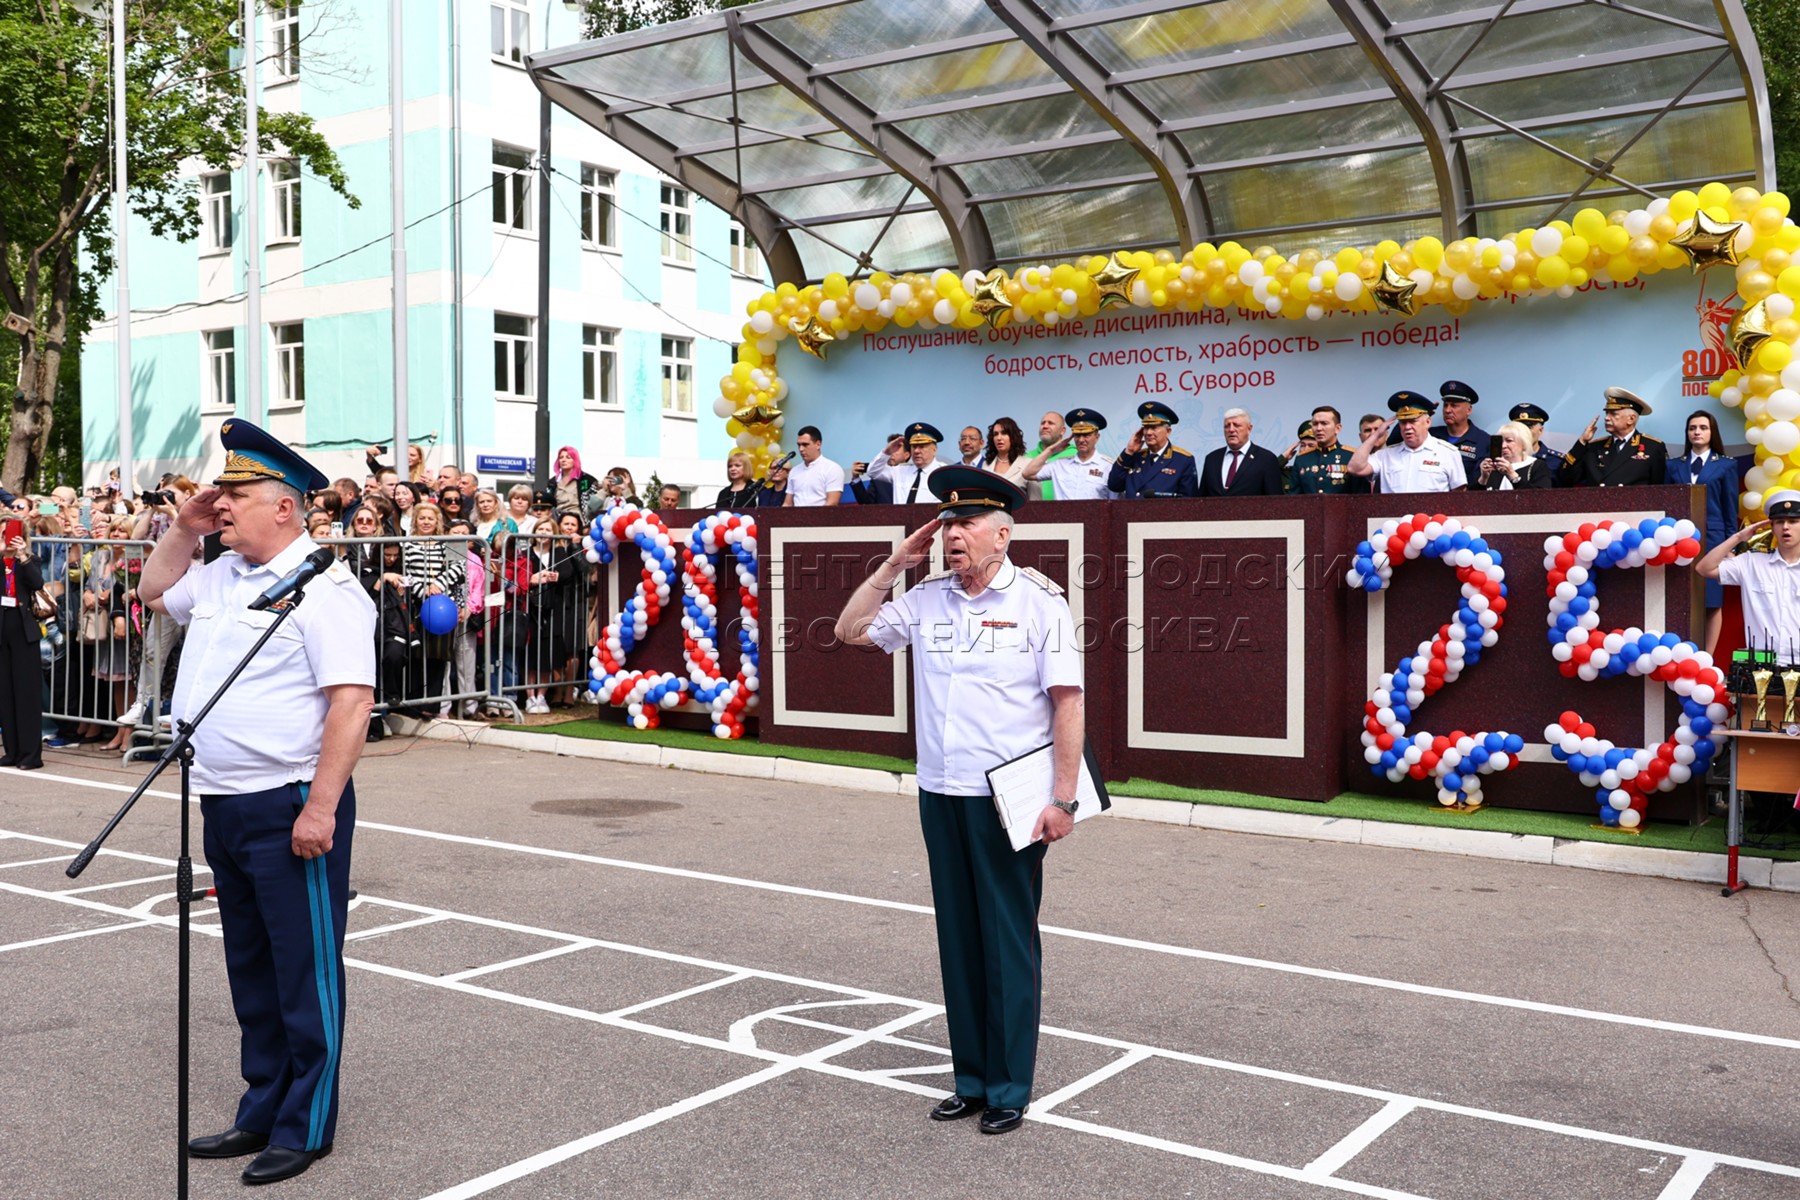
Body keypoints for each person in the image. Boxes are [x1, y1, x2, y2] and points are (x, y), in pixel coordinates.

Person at [138, 419, 376, 1186]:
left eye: (236, 494)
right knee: (250, 965)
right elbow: (152, 592)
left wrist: (322, 809)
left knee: (304, 970)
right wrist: (183, 529)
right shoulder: (220, 574)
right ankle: (262, 1106)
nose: (222, 503)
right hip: (221, 800)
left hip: (290, 801)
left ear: (284, 507)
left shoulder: (327, 589)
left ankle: (306, 1125)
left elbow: (351, 703)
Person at [833, 465, 1085, 1136]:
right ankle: (970, 1080)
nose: (952, 535)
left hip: (1007, 801)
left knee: (1006, 941)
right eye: (947, 524)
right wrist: (894, 564)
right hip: (941, 791)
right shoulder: (927, 598)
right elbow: (850, 632)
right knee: (958, 938)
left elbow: (1068, 704)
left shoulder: (1039, 603)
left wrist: (1063, 800)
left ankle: (1008, 1087)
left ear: (1003, 534)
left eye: (967, 523)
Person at [1668, 409, 1740, 654]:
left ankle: (1707, 657)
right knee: (1680, 599)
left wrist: (1730, 546)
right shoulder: (1673, 466)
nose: (1697, 432)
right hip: (1677, 541)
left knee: (1711, 600)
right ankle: (1682, 654)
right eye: (1692, 428)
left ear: (1712, 432)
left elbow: (1730, 508)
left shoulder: (1726, 465)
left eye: (1703, 428)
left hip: (1713, 540)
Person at [1698, 489, 1800, 655]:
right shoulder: (1752, 562)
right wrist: (1738, 537)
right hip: (1761, 663)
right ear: (1772, 528)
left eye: (1793, 521)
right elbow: (1704, 568)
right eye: (1779, 522)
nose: (1786, 527)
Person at [1348, 392, 1468, 493]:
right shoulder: (1386, 455)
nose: (1407, 427)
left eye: (1412, 421)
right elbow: (1354, 468)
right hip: (1394, 514)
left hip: (1431, 514)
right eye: (1403, 422)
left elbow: (1459, 495)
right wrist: (1376, 435)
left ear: (1427, 422)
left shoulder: (1448, 453)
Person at [0, 522, 47, 769]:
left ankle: (31, 755)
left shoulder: (30, 560)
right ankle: (12, 751)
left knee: (26, 694)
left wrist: (22, 556)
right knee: (5, 694)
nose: (5, 538)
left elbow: (37, 583)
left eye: (9, 533)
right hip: (2, 633)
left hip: (24, 632)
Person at [1558, 387, 1667, 487]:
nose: (1606, 418)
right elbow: (1566, 477)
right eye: (1607, 413)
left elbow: (1658, 490)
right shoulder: (1594, 447)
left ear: (1631, 419)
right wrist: (1582, 442)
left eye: (1613, 414)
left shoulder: (1653, 447)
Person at [1108, 401, 1198, 498]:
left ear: (1168, 431)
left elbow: (1188, 500)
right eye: (1146, 427)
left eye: (1154, 427)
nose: (1148, 433)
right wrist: (1129, 452)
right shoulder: (1135, 456)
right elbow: (1114, 486)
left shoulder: (1182, 460)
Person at [1023, 408, 1117, 500]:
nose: (1081, 440)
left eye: (1086, 435)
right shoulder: (1060, 465)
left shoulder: (1108, 467)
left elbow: (1115, 502)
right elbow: (1027, 473)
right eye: (1077, 435)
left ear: (1097, 437)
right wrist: (1051, 450)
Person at [1199, 407, 1283, 497]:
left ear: (1249, 428)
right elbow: (1201, 499)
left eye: (1236, 425)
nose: (1231, 430)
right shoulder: (1211, 459)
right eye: (1227, 426)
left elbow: (1275, 501)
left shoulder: (1266, 459)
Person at [1287, 406, 1370, 495]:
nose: (1319, 428)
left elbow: (1361, 496)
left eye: (1324, 423)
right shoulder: (1302, 458)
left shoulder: (1352, 456)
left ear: (1337, 428)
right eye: (1315, 424)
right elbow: (1294, 497)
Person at [868, 422, 946, 504]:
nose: (916, 451)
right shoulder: (899, 471)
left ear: (934, 449)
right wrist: (887, 452)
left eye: (922, 446)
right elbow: (872, 472)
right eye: (914, 446)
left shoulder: (943, 473)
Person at [1430, 380, 1489, 480]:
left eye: (1454, 405)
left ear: (1468, 410)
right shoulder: (1431, 435)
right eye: (1445, 405)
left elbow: (1480, 482)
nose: (1447, 410)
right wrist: (1422, 416)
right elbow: (1403, 441)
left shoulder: (1483, 441)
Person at [1471, 422, 1554, 490]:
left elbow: (1540, 498)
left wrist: (1512, 475)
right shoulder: (1492, 466)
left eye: (1509, 441)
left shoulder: (1537, 465)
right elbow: (1471, 499)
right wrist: (1483, 479)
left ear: (1524, 444)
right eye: (1501, 441)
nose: (1503, 446)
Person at [786, 426, 846, 507]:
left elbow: (832, 503)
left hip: (821, 514)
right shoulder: (794, 471)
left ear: (818, 444)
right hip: (795, 515)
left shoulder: (832, 468)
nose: (801, 449)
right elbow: (787, 504)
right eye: (799, 445)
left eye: (805, 445)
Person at [1508, 403, 1563, 478]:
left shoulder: (1556, 461)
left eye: (1529, 427)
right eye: (1520, 427)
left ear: (1540, 430)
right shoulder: (1505, 459)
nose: (1524, 431)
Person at [1030, 411, 1075, 500]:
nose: (1045, 426)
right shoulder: (1027, 457)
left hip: (1066, 508)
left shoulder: (1075, 454)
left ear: (1062, 431)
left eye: (1050, 423)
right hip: (1033, 508)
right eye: (1043, 423)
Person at [553, 446, 604, 519]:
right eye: (561, 457)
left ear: (575, 460)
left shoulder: (588, 480)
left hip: (580, 520)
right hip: (558, 519)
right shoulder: (553, 482)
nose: (563, 460)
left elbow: (594, 506)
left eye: (568, 457)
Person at [982, 416, 1030, 488]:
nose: (999, 438)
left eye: (1004, 433)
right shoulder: (986, 464)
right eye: (995, 434)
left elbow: (1035, 495)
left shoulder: (1028, 464)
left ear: (1013, 437)